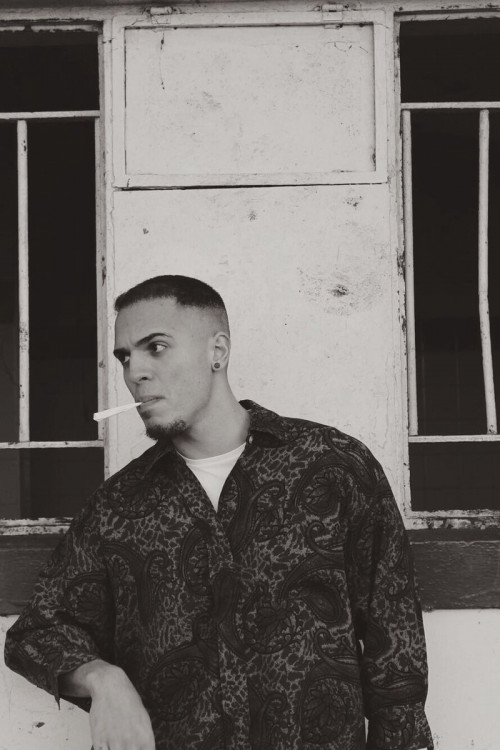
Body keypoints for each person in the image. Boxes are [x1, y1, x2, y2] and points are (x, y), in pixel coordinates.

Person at [4, 275, 433, 750]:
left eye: (156, 347)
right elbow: (36, 634)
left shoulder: (332, 467)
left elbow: (395, 644)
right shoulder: (118, 507)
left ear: (218, 351)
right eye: (125, 357)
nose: (134, 373)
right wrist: (103, 679)